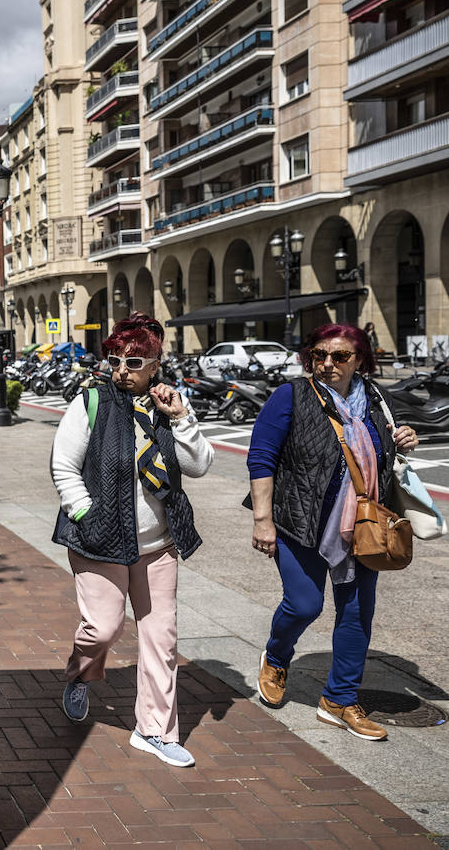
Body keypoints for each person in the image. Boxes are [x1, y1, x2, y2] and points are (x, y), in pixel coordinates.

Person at [50, 312, 214, 768]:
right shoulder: (92, 401)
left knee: (161, 638)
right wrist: (87, 512)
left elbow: (200, 466)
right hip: (99, 540)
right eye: (116, 359)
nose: (123, 369)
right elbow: (64, 465)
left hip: (157, 544)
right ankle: (80, 674)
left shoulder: (171, 405)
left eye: (135, 361)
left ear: (155, 364)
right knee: (102, 629)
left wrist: (180, 419)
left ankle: (154, 731)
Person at [248, 323, 417, 740]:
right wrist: (262, 520)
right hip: (300, 522)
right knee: (304, 605)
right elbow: (261, 459)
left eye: (339, 357)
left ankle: (339, 699)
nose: (326, 364)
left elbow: (385, 450)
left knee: (357, 613)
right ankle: (277, 655)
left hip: (362, 526)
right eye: (319, 355)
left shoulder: (376, 397)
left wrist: (404, 439)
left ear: (359, 359)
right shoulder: (291, 395)